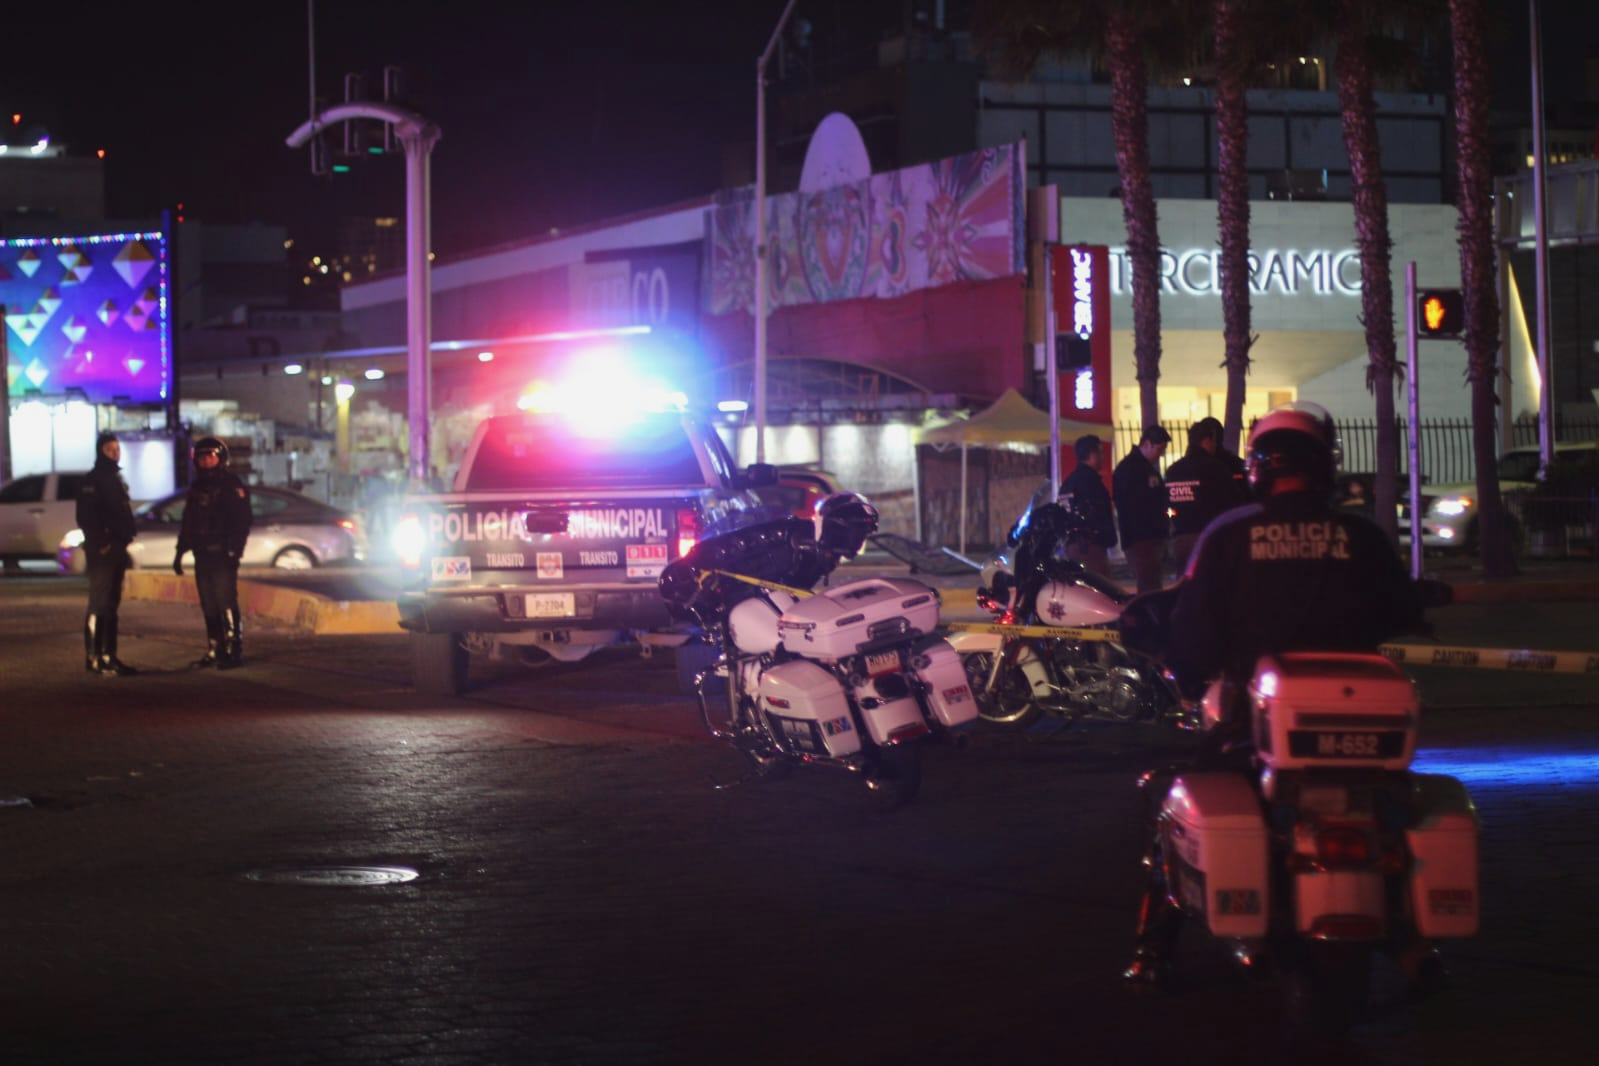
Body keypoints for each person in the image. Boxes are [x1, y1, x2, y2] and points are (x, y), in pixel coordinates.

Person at [1123, 401, 1426, 986]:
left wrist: (1185, 669)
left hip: (1253, 720)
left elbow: (1193, 626)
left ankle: (1154, 945)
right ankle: (1406, 929)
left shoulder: (1229, 535)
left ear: (1257, 468)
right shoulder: (1361, 535)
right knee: (1397, 808)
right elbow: (1401, 608)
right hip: (1361, 728)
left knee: (1172, 806)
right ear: (1324, 465)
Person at [174, 437, 253, 669]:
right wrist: (180, 552)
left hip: (222, 554)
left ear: (221, 459)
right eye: (202, 457)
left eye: (211, 456)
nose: (207, 461)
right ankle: (214, 647)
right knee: (208, 603)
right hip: (202, 554)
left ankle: (232, 649)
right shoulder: (197, 489)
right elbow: (188, 522)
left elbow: (242, 522)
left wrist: (234, 551)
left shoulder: (232, 486)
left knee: (225, 600)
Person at [75, 431, 140, 676]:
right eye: (109, 449)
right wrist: (102, 541)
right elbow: (86, 517)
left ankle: (109, 656)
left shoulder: (115, 478)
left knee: (111, 604)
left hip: (117, 548)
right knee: (99, 603)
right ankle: (93, 657)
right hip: (103, 550)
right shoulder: (92, 480)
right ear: (100, 451)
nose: (115, 452)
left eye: (117, 448)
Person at [1162, 417, 1250, 575]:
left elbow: (1166, 504)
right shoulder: (1216, 468)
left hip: (1181, 539)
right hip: (1209, 538)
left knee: (1184, 586)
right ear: (1207, 441)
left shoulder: (1173, 471)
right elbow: (1233, 502)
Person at [1112, 425, 1171, 593]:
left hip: (1145, 537)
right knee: (1149, 584)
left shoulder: (1139, 468)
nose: (1161, 455)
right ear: (1147, 444)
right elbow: (1137, 505)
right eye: (1160, 449)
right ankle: (1148, 616)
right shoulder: (1132, 469)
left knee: (1150, 582)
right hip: (1142, 537)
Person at [1057, 434, 1116, 576]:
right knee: (1101, 589)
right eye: (1100, 452)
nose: (1103, 457)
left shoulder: (1069, 482)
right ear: (1092, 454)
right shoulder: (1090, 482)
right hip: (1091, 546)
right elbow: (1098, 513)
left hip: (1073, 544)